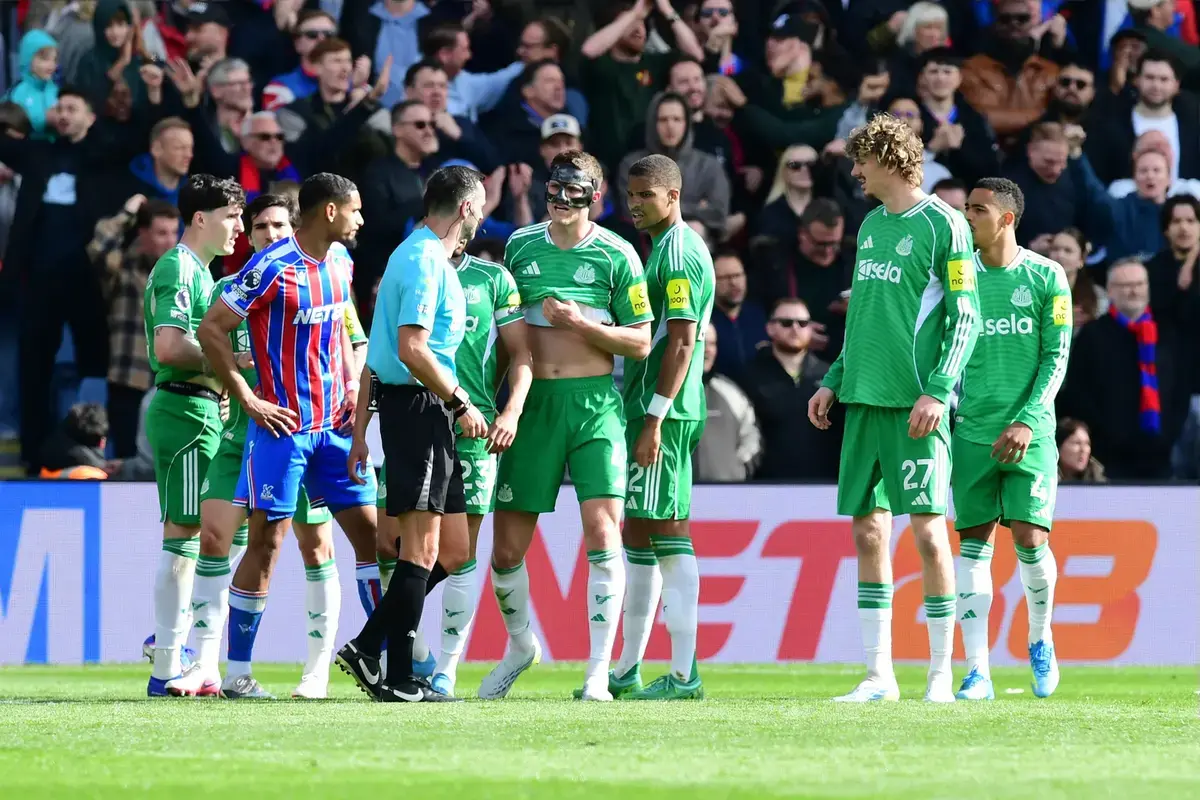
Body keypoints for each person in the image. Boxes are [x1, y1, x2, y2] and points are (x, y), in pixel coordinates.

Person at [167, 193, 372, 700]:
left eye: (278, 223)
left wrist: (352, 387)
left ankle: (359, 660)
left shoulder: (341, 262)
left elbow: (348, 333)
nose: (268, 233)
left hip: (332, 427)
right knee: (243, 541)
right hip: (271, 430)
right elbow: (210, 330)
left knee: (364, 539)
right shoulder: (260, 274)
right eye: (259, 226)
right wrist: (246, 396)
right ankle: (217, 665)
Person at [807, 113, 980, 703]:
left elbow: (967, 317)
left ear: (888, 160)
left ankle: (938, 673)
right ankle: (879, 675)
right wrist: (833, 378)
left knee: (931, 535)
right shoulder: (873, 226)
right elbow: (862, 318)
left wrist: (939, 389)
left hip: (915, 407)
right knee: (868, 533)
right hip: (863, 401)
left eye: (861, 160)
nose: (853, 171)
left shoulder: (946, 227)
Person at [478, 149, 653, 702]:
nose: (560, 201)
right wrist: (491, 400)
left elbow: (643, 340)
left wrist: (581, 323)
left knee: (604, 533)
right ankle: (519, 644)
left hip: (595, 404)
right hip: (532, 406)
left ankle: (597, 673)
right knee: (506, 549)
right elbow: (507, 335)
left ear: (593, 196)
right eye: (554, 191)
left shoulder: (618, 254)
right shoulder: (521, 246)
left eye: (572, 192)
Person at [336, 165, 490, 704]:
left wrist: (360, 433)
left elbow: (375, 359)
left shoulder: (415, 254)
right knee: (420, 551)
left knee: (453, 546)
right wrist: (461, 402)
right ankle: (400, 675)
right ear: (467, 208)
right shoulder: (426, 261)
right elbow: (410, 348)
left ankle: (369, 644)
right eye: (482, 207)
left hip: (419, 410)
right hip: (420, 409)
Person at [385, 236, 533, 698]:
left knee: (458, 551)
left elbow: (521, 355)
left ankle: (445, 670)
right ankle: (414, 653)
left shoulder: (493, 279)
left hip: (473, 429)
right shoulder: (413, 267)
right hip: (414, 417)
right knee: (393, 548)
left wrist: (509, 413)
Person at [597, 154, 713, 701]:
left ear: (673, 194)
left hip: (663, 411)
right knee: (638, 532)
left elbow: (684, 341)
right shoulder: (663, 249)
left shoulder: (680, 254)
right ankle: (626, 670)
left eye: (646, 194)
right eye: (630, 193)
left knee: (668, 530)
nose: (634, 203)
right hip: (648, 404)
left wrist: (654, 418)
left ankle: (686, 673)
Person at [955, 177, 1069, 702]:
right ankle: (977, 670)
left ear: (1006, 218)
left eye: (976, 210)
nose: (967, 217)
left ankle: (1039, 636)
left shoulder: (1047, 277)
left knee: (1029, 539)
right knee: (973, 548)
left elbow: (1056, 356)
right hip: (972, 432)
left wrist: (1027, 419)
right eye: (965, 209)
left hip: (1032, 431)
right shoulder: (958, 276)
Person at [143, 174, 246, 697]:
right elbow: (168, 347)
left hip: (205, 409)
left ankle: (179, 645)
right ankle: (166, 661)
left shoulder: (205, 273)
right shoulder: (178, 267)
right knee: (184, 536)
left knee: (215, 536)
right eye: (231, 217)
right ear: (200, 218)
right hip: (184, 410)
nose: (240, 228)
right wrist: (231, 363)